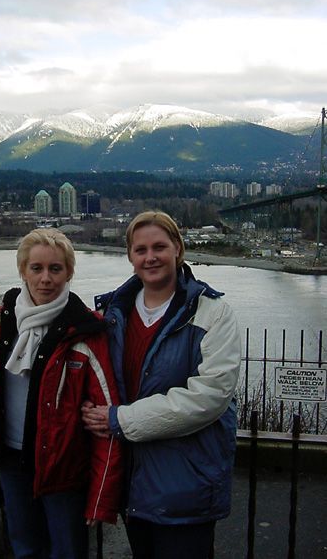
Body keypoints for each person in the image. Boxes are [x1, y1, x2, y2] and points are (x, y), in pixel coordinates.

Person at [82, 210, 241, 559]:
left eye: (159, 247)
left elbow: (210, 396)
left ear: (177, 249)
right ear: (130, 256)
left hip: (186, 485)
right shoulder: (113, 314)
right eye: (140, 250)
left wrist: (119, 419)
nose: (150, 257)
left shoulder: (213, 312)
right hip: (132, 482)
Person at [0, 228, 122, 559]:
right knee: (25, 549)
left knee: (67, 552)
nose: (46, 278)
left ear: (69, 273)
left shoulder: (86, 331)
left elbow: (105, 417)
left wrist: (100, 497)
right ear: (23, 270)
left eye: (55, 268)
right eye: (36, 268)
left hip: (65, 469)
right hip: (12, 462)